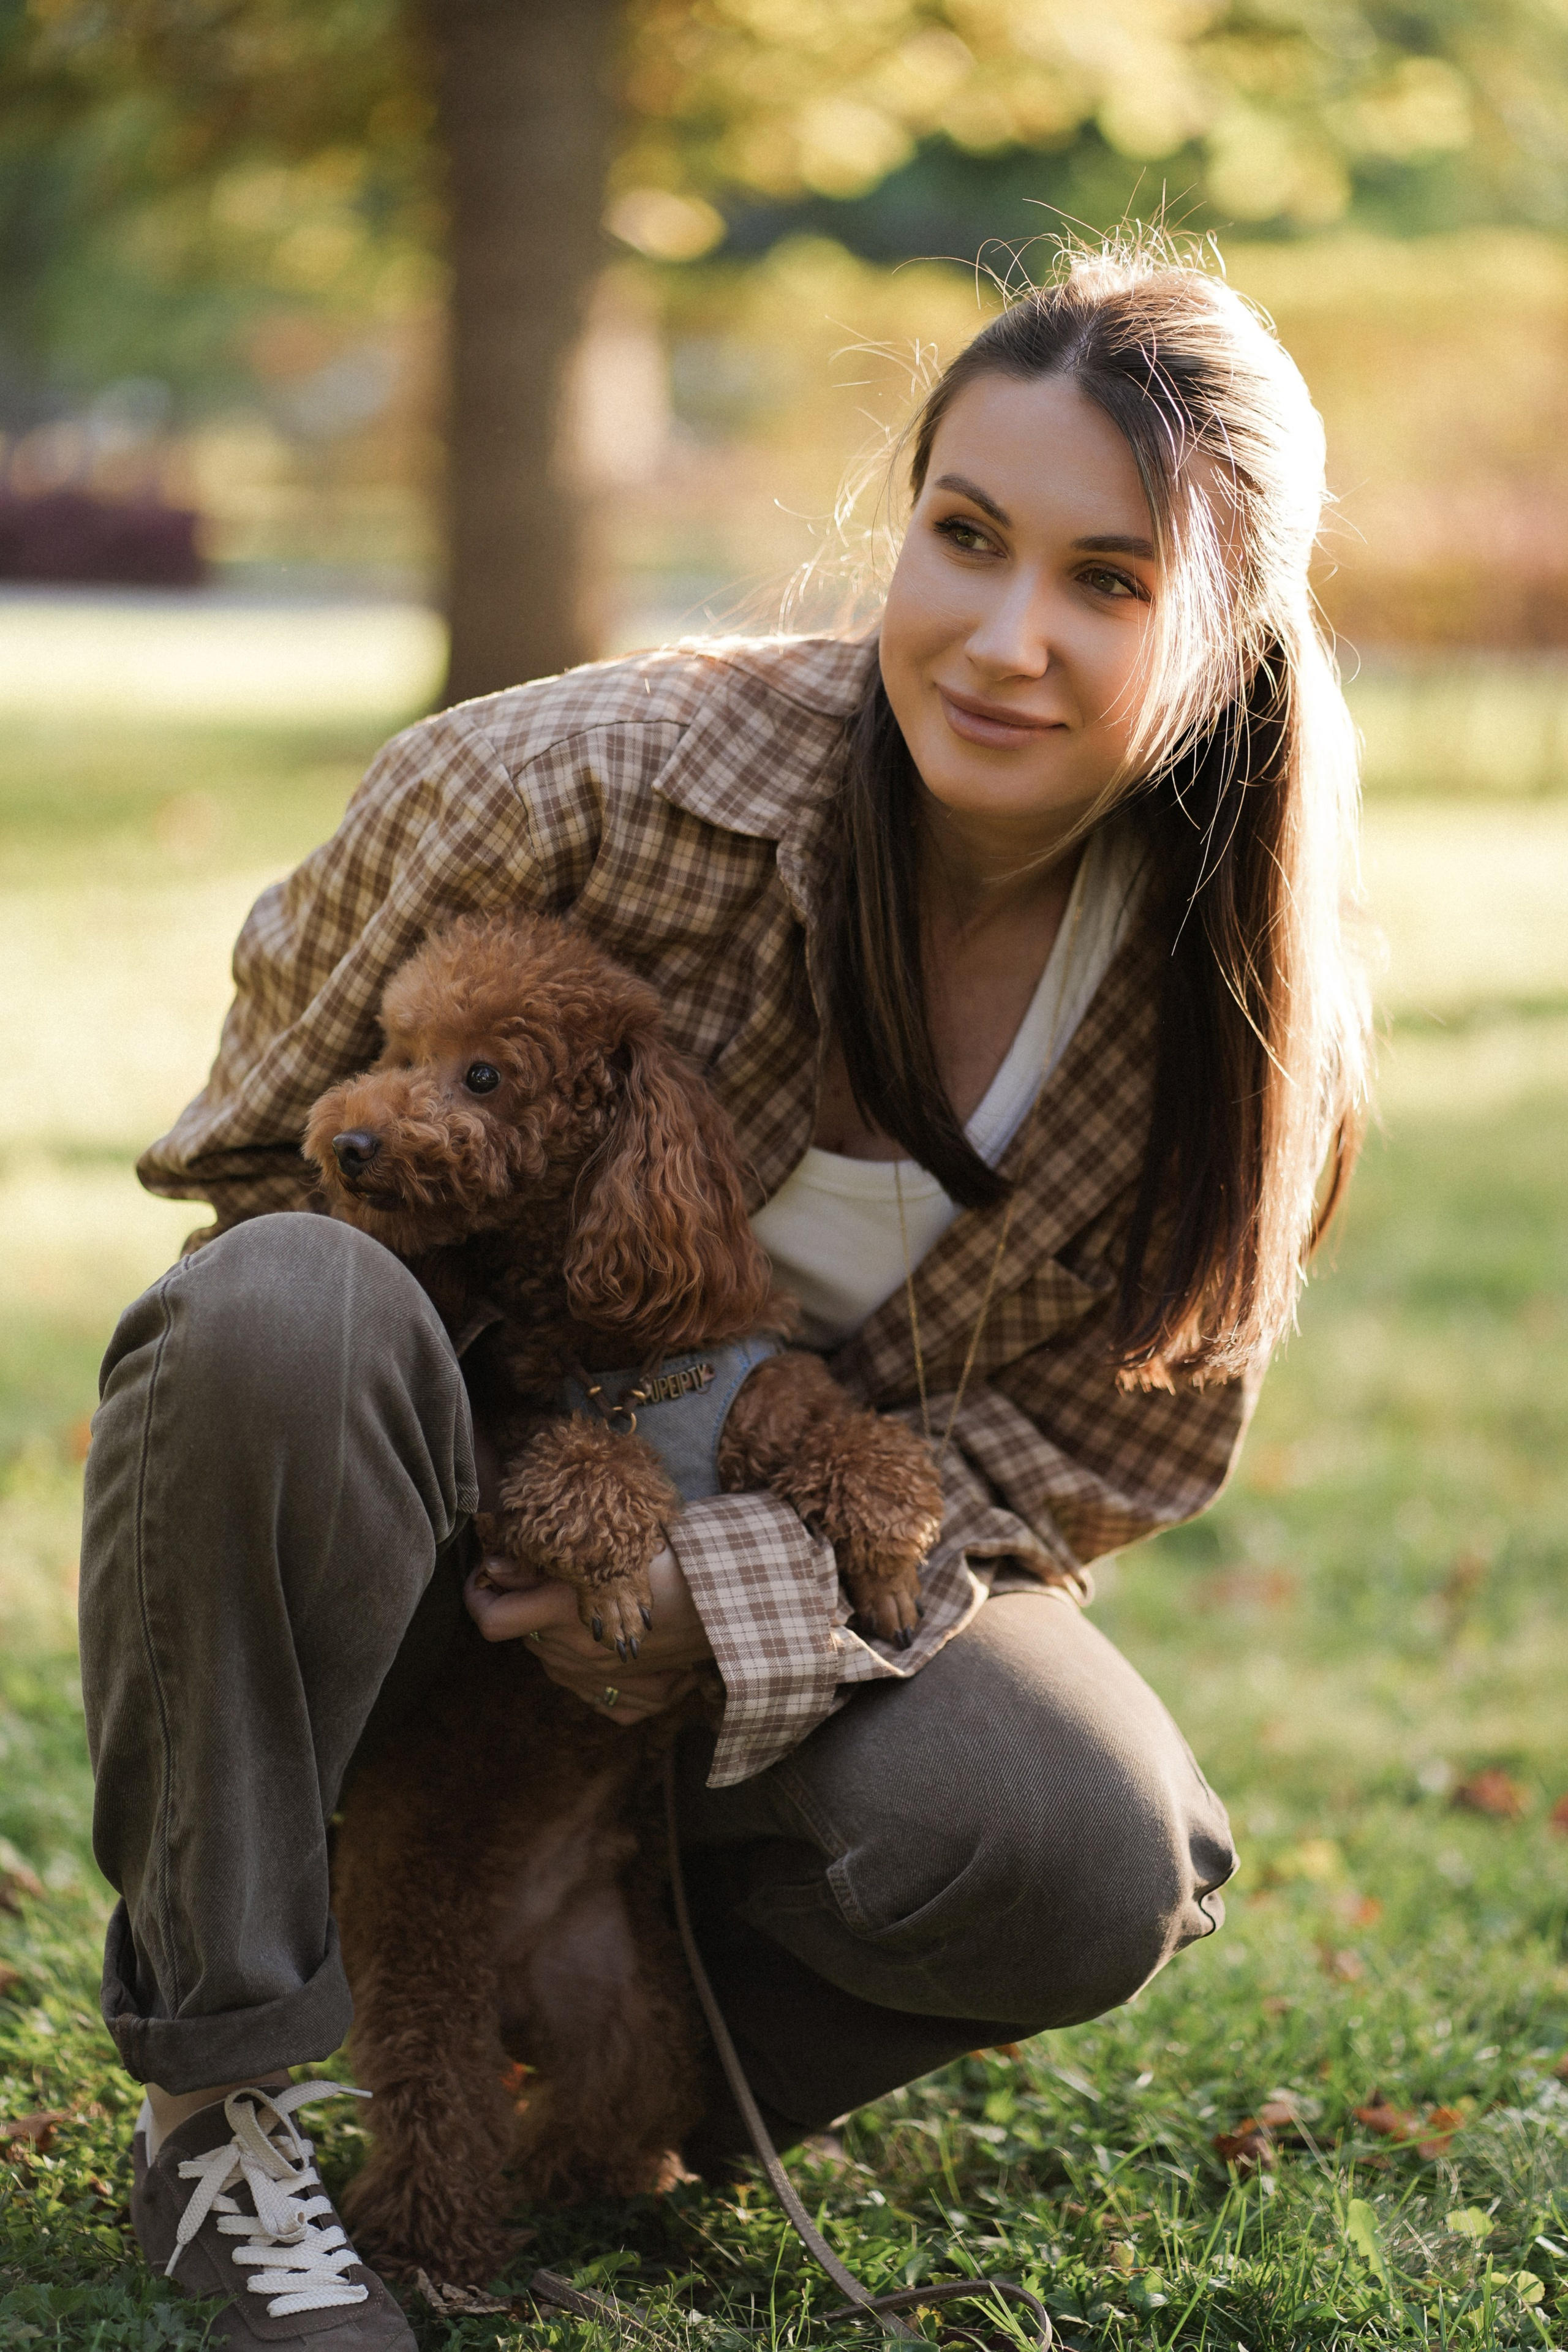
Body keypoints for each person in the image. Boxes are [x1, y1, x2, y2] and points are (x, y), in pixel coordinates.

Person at [79, 242, 1368, 2348]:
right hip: (422, 1564)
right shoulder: (557, 790)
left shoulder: (1237, 1018)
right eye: (966, 537)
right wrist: (542, 1498)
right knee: (284, 1316)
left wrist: (722, 1595)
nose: (1006, 638)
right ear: (908, 520)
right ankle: (228, 2096)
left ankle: (597, 2081)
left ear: (1232, 638)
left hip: (784, 1639)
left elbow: (1110, 1444)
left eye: (1111, 582)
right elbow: (254, 1186)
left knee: (1080, 1845)